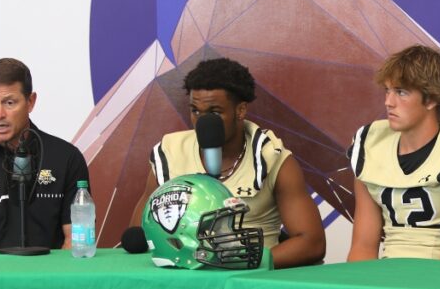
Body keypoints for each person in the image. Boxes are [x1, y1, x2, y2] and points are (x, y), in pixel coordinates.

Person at [138, 57, 325, 268]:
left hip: (250, 277)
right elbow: (142, 232)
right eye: (195, 110)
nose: (202, 121)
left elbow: (312, 242)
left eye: (214, 113)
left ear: (241, 110)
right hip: (182, 276)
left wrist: (251, 262)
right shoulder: (170, 153)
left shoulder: (270, 156)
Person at [346, 45, 440, 261]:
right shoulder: (371, 145)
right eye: (387, 90)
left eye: (401, 92)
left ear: (432, 99)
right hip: (387, 277)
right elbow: (363, 248)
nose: (388, 102)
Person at [0, 58, 89, 250]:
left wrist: (50, 279)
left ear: (30, 102)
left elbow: (76, 241)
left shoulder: (67, 158)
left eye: (9, 102)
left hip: (51, 278)